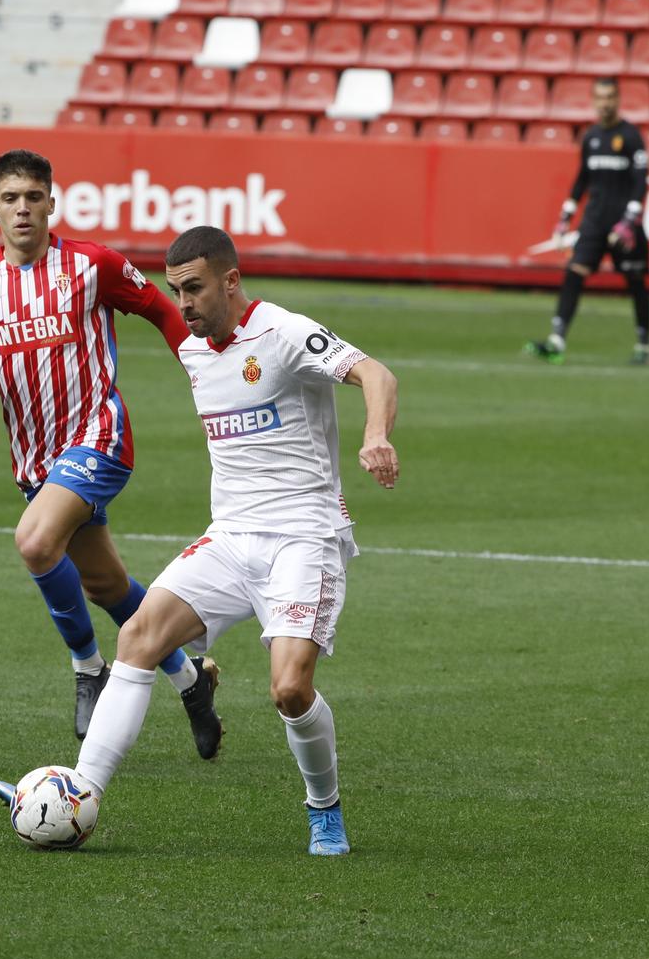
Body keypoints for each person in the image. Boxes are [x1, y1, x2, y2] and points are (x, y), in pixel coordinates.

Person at [21, 224, 400, 856]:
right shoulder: (196, 351)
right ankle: (79, 794)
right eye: (176, 291)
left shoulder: (280, 331)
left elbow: (376, 373)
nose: (184, 304)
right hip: (229, 538)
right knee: (138, 636)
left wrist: (375, 436)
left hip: (302, 538)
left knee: (289, 689)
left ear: (230, 280)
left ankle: (324, 809)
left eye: (194, 289)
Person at [0, 148, 223, 757]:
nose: (23, 209)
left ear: (51, 202)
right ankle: (189, 678)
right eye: (10, 199)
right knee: (105, 584)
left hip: (98, 436)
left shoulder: (91, 266)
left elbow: (155, 306)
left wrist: (203, 371)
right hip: (36, 461)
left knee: (36, 542)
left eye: (33, 197)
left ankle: (87, 667)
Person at [525, 76, 649, 367]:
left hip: (623, 222)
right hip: (594, 220)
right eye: (600, 97)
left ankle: (643, 344)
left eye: (610, 97)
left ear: (617, 99)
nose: (605, 103)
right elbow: (582, 179)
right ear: (594, 100)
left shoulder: (631, 137)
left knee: (636, 281)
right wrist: (566, 216)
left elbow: (640, 181)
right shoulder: (592, 137)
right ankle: (557, 340)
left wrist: (630, 220)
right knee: (575, 270)